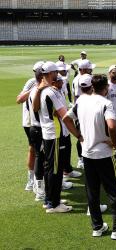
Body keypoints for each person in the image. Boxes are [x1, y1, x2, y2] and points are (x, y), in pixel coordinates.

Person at [63, 74, 116, 240]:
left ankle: (97, 227)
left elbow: (66, 118)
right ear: (106, 88)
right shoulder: (106, 103)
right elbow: (111, 125)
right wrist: (115, 143)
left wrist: (78, 136)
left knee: (92, 191)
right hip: (104, 154)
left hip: (87, 154)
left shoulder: (81, 101)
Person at [32, 61, 73, 213]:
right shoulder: (47, 91)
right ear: (50, 74)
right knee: (54, 169)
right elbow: (63, 115)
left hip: (50, 133)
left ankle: (50, 199)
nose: (58, 74)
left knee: (51, 168)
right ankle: (53, 204)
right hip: (54, 134)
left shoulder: (45, 89)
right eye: (56, 72)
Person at [16, 61, 44, 191]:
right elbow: (19, 99)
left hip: (41, 121)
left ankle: (42, 181)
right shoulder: (31, 82)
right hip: (30, 122)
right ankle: (31, 181)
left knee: (42, 152)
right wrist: (36, 89)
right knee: (34, 150)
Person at [71, 59, 95, 169]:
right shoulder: (79, 80)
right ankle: (81, 159)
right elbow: (77, 97)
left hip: (86, 109)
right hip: (82, 111)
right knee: (81, 135)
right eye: (90, 69)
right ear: (84, 69)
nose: (91, 70)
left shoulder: (84, 78)